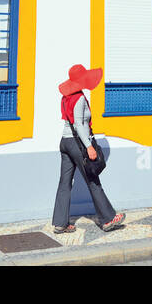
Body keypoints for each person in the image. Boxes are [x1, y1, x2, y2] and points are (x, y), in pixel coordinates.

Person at [52, 64, 124, 234]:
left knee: (64, 183)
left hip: (64, 142)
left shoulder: (66, 97)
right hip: (77, 143)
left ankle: (60, 223)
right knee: (93, 180)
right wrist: (89, 146)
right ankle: (108, 219)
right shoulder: (79, 98)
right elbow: (79, 124)